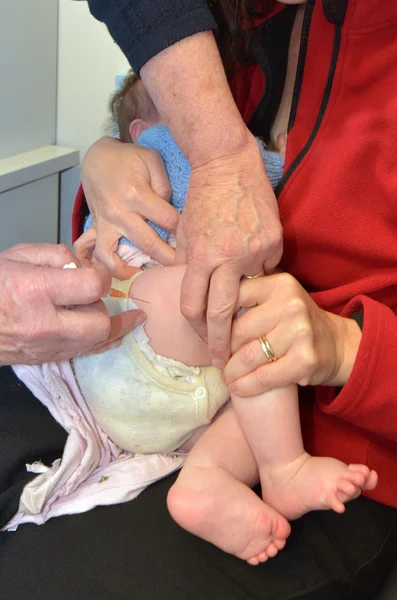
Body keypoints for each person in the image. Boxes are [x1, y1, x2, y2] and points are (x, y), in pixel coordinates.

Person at [1, 0, 397, 598]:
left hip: (329, 441)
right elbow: (141, 226)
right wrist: (104, 167)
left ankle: (259, 471)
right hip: (116, 378)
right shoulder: (231, 40)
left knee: (45, 577)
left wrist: (348, 350)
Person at [73, 73, 376, 564]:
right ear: (144, 129)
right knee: (252, 306)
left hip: (121, 382)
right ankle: (285, 468)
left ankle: (205, 478)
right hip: (141, 315)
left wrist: (99, 152)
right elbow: (253, 176)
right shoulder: (166, 145)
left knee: (251, 395)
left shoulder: (126, 158)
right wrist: (278, 151)